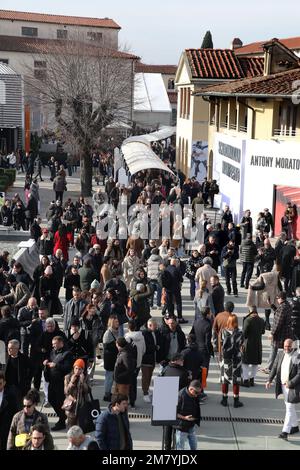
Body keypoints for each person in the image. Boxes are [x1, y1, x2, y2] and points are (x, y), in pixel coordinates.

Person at [266, 338, 300, 440]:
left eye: (289, 346)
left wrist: (290, 383)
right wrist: (269, 380)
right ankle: (294, 426)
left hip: (292, 387)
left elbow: (299, 373)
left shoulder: (297, 356)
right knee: (289, 406)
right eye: (285, 346)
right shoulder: (280, 354)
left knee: (289, 407)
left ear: (292, 346)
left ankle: (284, 432)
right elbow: (275, 367)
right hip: (282, 385)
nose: (286, 348)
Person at [43, 335, 73, 431]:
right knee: (51, 399)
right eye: (53, 344)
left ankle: (62, 420)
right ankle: (62, 416)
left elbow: (67, 368)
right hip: (52, 380)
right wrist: (46, 362)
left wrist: (56, 365)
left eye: (55, 344)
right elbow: (51, 360)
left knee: (60, 401)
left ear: (61, 343)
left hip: (61, 382)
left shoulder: (67, 354)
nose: (53, 346)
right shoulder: (52, 352)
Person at [262, 292, 292, 374]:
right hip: (286, 332)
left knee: (273, 350)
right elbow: (278, 313)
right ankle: (283, 366)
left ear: (280, 298)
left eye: (277, 298)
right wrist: (271, 305)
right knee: (284, 350)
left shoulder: (282, 308)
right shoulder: (287, 305)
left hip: (280, 334)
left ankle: (269, 368)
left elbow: (278, 322)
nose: (277, 300)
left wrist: (272, 333)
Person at [220, 314, 244, 408]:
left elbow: (221, 343)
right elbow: (241, 345)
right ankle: (236, 401)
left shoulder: (223, 331)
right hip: (236, 359)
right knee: (236, 380)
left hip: (226, 358)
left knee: (225, 379)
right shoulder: (240, 333)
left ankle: (224, 400)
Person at [241, 306, 265, 387]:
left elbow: (244, 334)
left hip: (248, 344)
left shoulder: (248, 320)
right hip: (258, 344)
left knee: (245, 363)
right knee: (255, 363)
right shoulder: (262, 320)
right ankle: (252, 380)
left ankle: (245, 380)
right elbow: (263, 332)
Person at [175, 380, 202, 450]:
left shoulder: (195, 396)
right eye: (196, 392)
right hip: (181, 427)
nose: (197, 395)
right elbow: (173, 412)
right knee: (180, 447)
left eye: (199, 393)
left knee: (194, 446)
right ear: (191, 389)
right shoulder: (181, 396)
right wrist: (184, 418)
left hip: (191, 425)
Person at [5, 339, 31, 409]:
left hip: (19, 388)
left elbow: (32, 369)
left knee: (19, 407)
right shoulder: (6, 357)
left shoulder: (24, 358)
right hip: (7, 387)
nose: (9, 350)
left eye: (11, 348)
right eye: (8, 348)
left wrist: (27, 380)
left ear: (17, 349)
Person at [64, 359, 90, 428]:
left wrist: (83, 382)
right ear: (73, 368)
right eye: (76, 368)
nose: (78, 371)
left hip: (82, 405)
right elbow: (66, 392)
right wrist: (71, 382)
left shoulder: (86, 377)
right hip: (71, 406)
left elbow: (87, 391)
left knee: (81, 427)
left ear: (83, 370)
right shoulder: (68, 377)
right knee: (71, 427)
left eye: (80, 369)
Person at [190, 307, 213, 374]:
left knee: (197, 367)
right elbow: (207, 341)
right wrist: (210, 351)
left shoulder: (196, 321)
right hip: (204, 350)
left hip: (196, 348)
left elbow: (191, 333)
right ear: (208, 314)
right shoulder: (208, 324)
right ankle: (203, 383)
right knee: (204, 369)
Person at [103, 316, 120, 402]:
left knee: (111, 378)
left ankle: (109, 392)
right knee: (109, 378)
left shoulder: (117, 331)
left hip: (115, 358)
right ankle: (106, 394)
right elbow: (106, 347)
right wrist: (116, 345)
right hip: (109, 360)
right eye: (116, 322)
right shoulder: (108, 333)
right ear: (112, 323)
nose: (118, 323)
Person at [0, 371, 18, 450]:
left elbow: (15, 413)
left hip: (5, 431)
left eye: (0, 383)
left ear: (4, 383)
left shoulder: (11, 396)